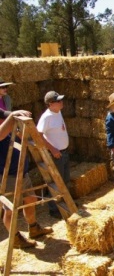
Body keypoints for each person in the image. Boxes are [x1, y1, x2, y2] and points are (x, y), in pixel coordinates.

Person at [0, 109, 53, 249]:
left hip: (22, 173)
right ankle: (16, 238)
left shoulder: (9, 127)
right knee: (10, 209)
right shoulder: (2, 131)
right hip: (7, 177)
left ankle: (34, 228)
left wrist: (16, 117)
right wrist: (12, 117)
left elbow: (8, 116)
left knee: (30, 200)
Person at [36, 91, 70, 219]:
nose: (61, 102)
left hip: (64, 152)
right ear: (51, 104)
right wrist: (53, 149)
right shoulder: (46, 117)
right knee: (56, 182)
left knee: (65, 180)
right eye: (59, 101)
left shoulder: (58, 112)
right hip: (56, 154)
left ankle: (66, 203)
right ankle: (54, 209)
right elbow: (38, 135)